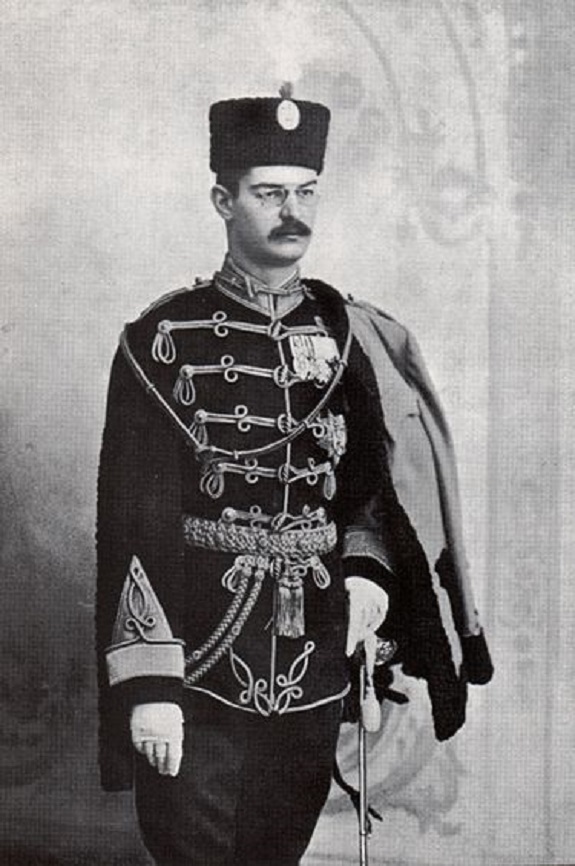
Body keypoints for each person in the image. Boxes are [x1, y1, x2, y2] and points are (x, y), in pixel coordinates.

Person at [96, 86, 493, 866]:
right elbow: (133, 521)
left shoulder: (345, 332)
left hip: (313, 654)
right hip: (200, 659)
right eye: (269, 193)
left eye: (305, 192)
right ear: (223, 200)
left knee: (277, 852)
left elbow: (370, 488)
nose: (292, 212)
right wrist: (150, 687)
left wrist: (366, 572)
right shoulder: (161, 338)